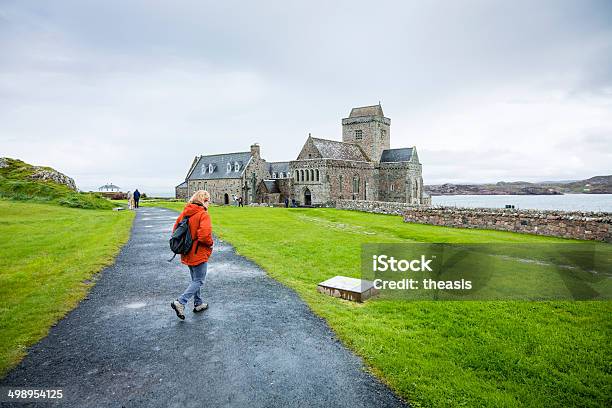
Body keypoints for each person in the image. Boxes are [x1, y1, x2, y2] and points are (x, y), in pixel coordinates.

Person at [170, 190, 214, 320]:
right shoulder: (203, 214)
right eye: (208, 200)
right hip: (198, 252)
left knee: (195, 279)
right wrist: (211, 243)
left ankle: (198, 303)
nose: (209, 203)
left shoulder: (185, 213)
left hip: (186, 251)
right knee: (199, 280)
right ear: (204, 200)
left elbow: (175, 231)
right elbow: (205, 235)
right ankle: (180, 302)